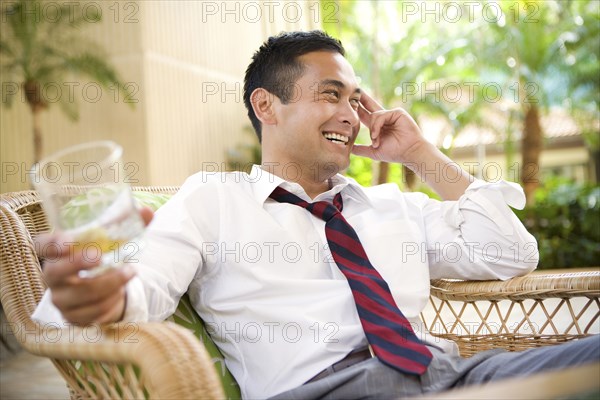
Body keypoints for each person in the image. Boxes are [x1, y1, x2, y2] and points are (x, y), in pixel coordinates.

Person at [34, 31, 598, 399]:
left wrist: (419, 156)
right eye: (331, 94)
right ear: (266, 106)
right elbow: (145, 282)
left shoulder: (388, 207)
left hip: (453, 376)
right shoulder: (213, 199)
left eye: (356, 99)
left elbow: (510, 253)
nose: (351, 114)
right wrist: (102, 294)